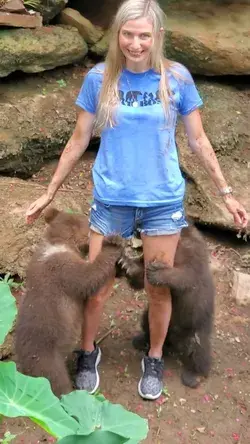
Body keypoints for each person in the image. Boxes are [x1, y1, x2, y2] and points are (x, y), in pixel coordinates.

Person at [25, 0, 248, 400]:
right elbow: (79, 139)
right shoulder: (100, 78)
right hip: (112, 198)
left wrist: (226, 193)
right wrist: (49, 191)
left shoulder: (176, 78)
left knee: (158, 287)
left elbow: (198, 140)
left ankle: (156, 355)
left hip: (162, 200)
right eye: (128, 34)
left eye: (144, 35)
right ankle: (87, 352)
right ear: (117, 35)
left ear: (158, 36)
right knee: (97, 288)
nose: (135, 43)